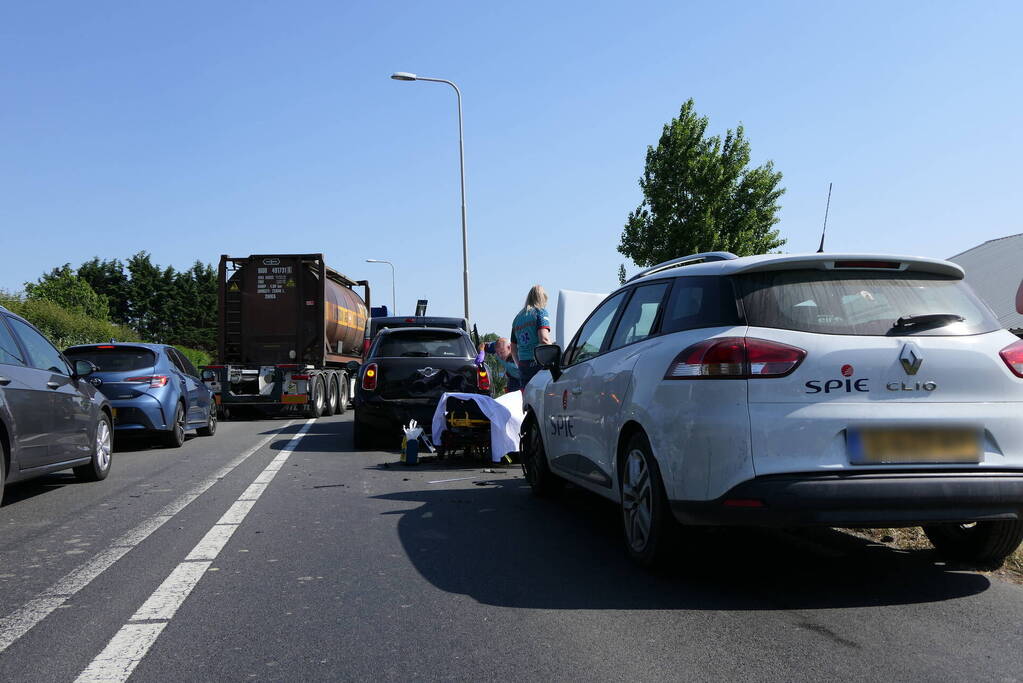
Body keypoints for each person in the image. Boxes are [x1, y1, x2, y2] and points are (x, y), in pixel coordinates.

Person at [510, 285, 552, 389]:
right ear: (542, 298)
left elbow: (513, 349)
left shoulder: (517, 318)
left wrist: (519, 364)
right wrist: (556, 357)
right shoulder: (540, 312)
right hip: (538, 363)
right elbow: (544, 339)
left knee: (527, 399)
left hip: (523, 366)